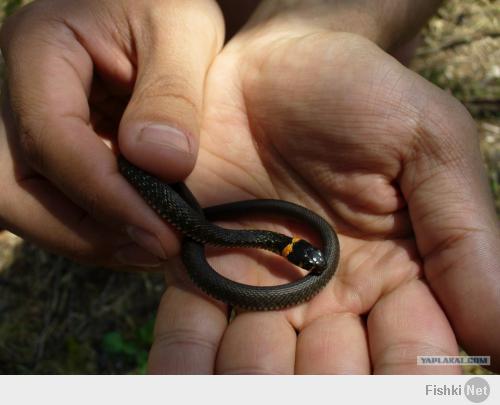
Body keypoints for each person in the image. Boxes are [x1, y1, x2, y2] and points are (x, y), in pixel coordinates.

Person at [0, 0, 498, 374]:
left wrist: (326, 22)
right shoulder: (250, 237)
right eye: (306, 259)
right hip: (180, 63)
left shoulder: (253, 238)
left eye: (306, 260)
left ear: (288, 251)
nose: (310, 260)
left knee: (191, 231)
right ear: (290, 250)